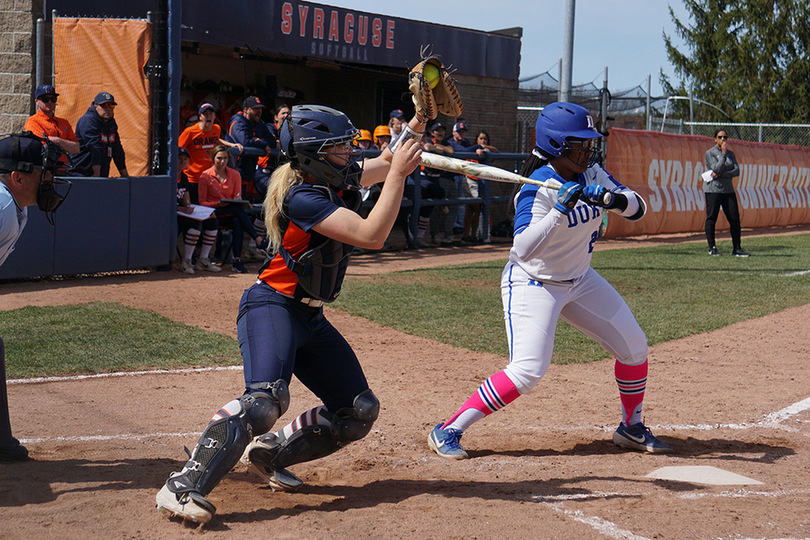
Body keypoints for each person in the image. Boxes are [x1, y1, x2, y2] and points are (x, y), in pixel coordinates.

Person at [155, 104, 424, 525]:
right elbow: (373, 235)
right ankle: (183, 486)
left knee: (358, 412)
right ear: (314, 155)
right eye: (339, 148)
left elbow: (388, 158)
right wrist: (400, 176)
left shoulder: (329, 176)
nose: (349, 155)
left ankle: (270, 453)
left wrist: (420, 118)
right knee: (264, 403)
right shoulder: (301, 195)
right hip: (271, 306)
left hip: (310, 318)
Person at [427, 102, 672, 460]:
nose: (588, 150)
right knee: (528, 370)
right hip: (534, 282)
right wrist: (559, 211)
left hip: (579, 279)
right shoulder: (537, 186)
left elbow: (638, 208)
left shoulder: (593, 173)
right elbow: (523, 248)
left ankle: (630, 427)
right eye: (580, 144)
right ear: (557, 146)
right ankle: (449, 428)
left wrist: (611, 198)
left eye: (590, 144)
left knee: (634, 347)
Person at [0, 132, 72, 461]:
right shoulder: (2, 207)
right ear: (17, 177)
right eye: (44, 173)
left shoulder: (13, 206)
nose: (50, 179)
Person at [198, 144, 268, 273]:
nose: (222, 161)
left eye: (225, 158)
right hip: (213, 212)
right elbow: (202, 202)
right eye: (219, 158)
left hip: (230, 212)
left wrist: (236, 200)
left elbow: (237, 197)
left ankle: (237, 260)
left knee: (237, 220)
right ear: (213, 159)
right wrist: (218, 204)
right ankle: (258, 240)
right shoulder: (205, 176)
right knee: (237, 211)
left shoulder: (235, 174)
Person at [179, 103, 243, 203]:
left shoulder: (216, 129)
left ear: (214, 116)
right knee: (194, 209)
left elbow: (217, 140)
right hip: (192, 178)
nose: (208, 116)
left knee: (207, 208)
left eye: (211, 113)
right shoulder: (190, 132)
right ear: (200, 117)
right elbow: (178, 148)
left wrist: (231, 145)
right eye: (205, 114)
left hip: (208, 177)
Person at [704, 129, 749, 257]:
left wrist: (722, 174)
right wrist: (722, 155)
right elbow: (716, 168)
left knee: (734, 218)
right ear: (715, 139)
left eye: (725, 137)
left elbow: (736, 171)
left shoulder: (731, 153)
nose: (723, 139)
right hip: (713, 190)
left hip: (728, 190)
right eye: (720, 137)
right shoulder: (710, 153)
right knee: (712, 218)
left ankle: (737, 248)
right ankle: (712, 247)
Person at [176, 147, 221, 274]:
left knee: (212, 222)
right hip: (169, 216)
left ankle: (203, 259)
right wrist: (182, 208)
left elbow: (187, 202)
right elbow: (163, 204)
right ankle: (187, 261)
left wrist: (201, 213)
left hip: (180, 213)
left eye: (185, 159)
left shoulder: (184, 177)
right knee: (195, 225)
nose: (182, 162)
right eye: (179, 159)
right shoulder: (169, 176)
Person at [226, 96, 276, 198]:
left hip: (248, 173)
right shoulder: (238, 121)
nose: (259, 111)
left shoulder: (259, 123)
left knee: (246, 204)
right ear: (246, 110)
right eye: (255, 109)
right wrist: (263, 144)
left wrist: (260, 141)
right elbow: (244, 142)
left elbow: (273, 141)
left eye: (260, 109)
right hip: (233, 172)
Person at [72, 92, 128, 178]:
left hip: (99, 176)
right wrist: (96, 177)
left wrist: (126, 176)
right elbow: (95, 148)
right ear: (95, 107)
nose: (108, 109)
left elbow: (117, 150)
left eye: (111, 106)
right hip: (80, 174)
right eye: (104, 105)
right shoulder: (88, 120)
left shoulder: (111, 122)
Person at [447, 122, 486, 244]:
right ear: (454, 132)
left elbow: (470, 148)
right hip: (450, 177)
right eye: (459, 132)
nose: (462, 134)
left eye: (463, 132)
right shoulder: (450, 142)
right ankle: (450, 233)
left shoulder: (465, 142)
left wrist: (478, 148)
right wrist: (476, 148)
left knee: (467, 206)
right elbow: (463, 150)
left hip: (463, 177)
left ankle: (466, 234)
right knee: (450, 205)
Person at [23, 84, 80, 169]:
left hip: (64, 170)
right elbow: (44, 147)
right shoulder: (33, 121)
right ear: (37, 101)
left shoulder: (64, 122)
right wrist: (66, 144)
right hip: (44, 170)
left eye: (53, 99)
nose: (49, 102)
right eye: (45, 99)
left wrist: (57, 140)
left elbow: (76, 149)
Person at [422, 122, 455, 245]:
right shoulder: (428, 139)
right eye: (437, 131)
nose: (440, 133)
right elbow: (427, 147)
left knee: (442, 206)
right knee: (431, 208)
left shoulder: (446, 142)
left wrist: (442, 148)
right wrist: (437, 148)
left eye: (442, 131)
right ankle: (433, 235)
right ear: (432, 133)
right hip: (427, 178)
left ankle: (445, 234)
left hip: (438, 178)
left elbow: (450, 151)